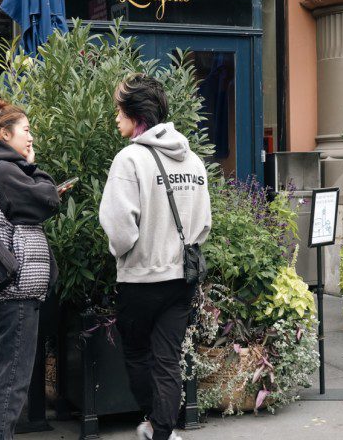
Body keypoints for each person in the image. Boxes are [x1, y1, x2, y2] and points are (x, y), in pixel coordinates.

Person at [99, 74, 211, 440]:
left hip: (140, 278)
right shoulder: (193, 160)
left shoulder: (130, 159)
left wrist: (125, 252)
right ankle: (162, 431)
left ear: (136, 113)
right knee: (168, 359)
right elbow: (204, 223)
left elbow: (119, 229)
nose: (116, 117)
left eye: (120, 109)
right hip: (181, 278)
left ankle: (154, 420)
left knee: (136, 354)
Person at [0, 95, 62, 440]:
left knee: (4, 375)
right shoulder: (5, 170)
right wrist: (34, 168)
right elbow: (48, 200)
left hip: (5, 287)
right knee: (11, 381)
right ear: (5, 134)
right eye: (26, 129)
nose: (31, 136)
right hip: (17, 288)